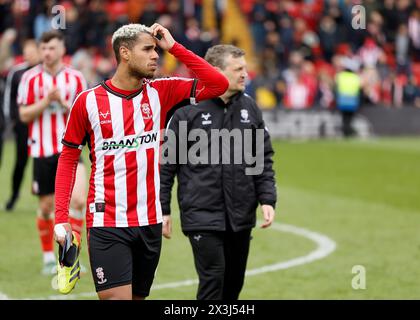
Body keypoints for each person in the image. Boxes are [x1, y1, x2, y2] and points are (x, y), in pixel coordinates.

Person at [53, 23, 228, 300]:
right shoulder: (87, 102)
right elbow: (68, 158)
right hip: (107, 221)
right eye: (147, 49)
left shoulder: (162, 91)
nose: (155, 55)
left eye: (156, 50)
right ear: (124, 53)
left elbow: (219, 84)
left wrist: (175, 47)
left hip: (149, 221)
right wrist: (61, 218)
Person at [160, 44, 277, 300]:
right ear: (215, 72)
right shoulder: (186, 111)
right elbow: (168, 165)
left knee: (233, 284)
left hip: (241, 215)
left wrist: (267, 198)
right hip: (202, 213)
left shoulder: (250, 108)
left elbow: (262, 159)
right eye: (238, 69)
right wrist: (164, 209)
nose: (245, 74)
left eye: (245, 68)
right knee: (213, 279)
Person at [17, 31, 87, 275]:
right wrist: (46, 101)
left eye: (52, 48)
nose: (47, 53)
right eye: (44, 48)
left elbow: (85, 114)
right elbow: (24, 115)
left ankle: (72, 256)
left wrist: (66, 105)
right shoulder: (29, 78)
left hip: (71, 149)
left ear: (62, 49)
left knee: (78, 201)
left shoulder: (76, 78)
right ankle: (48, 256)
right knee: (47, 207)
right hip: (42, 149)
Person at [3, 39, 40, 211]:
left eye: (33, 51)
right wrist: (15, 119)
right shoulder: (16, 73)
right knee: (20, 162)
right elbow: (9, 98)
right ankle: (14, 195)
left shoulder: (44, 72)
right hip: (23, 126)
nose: (30, 55)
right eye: (27, 52)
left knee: (44, 161)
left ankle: (46, 196)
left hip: (43, 126)